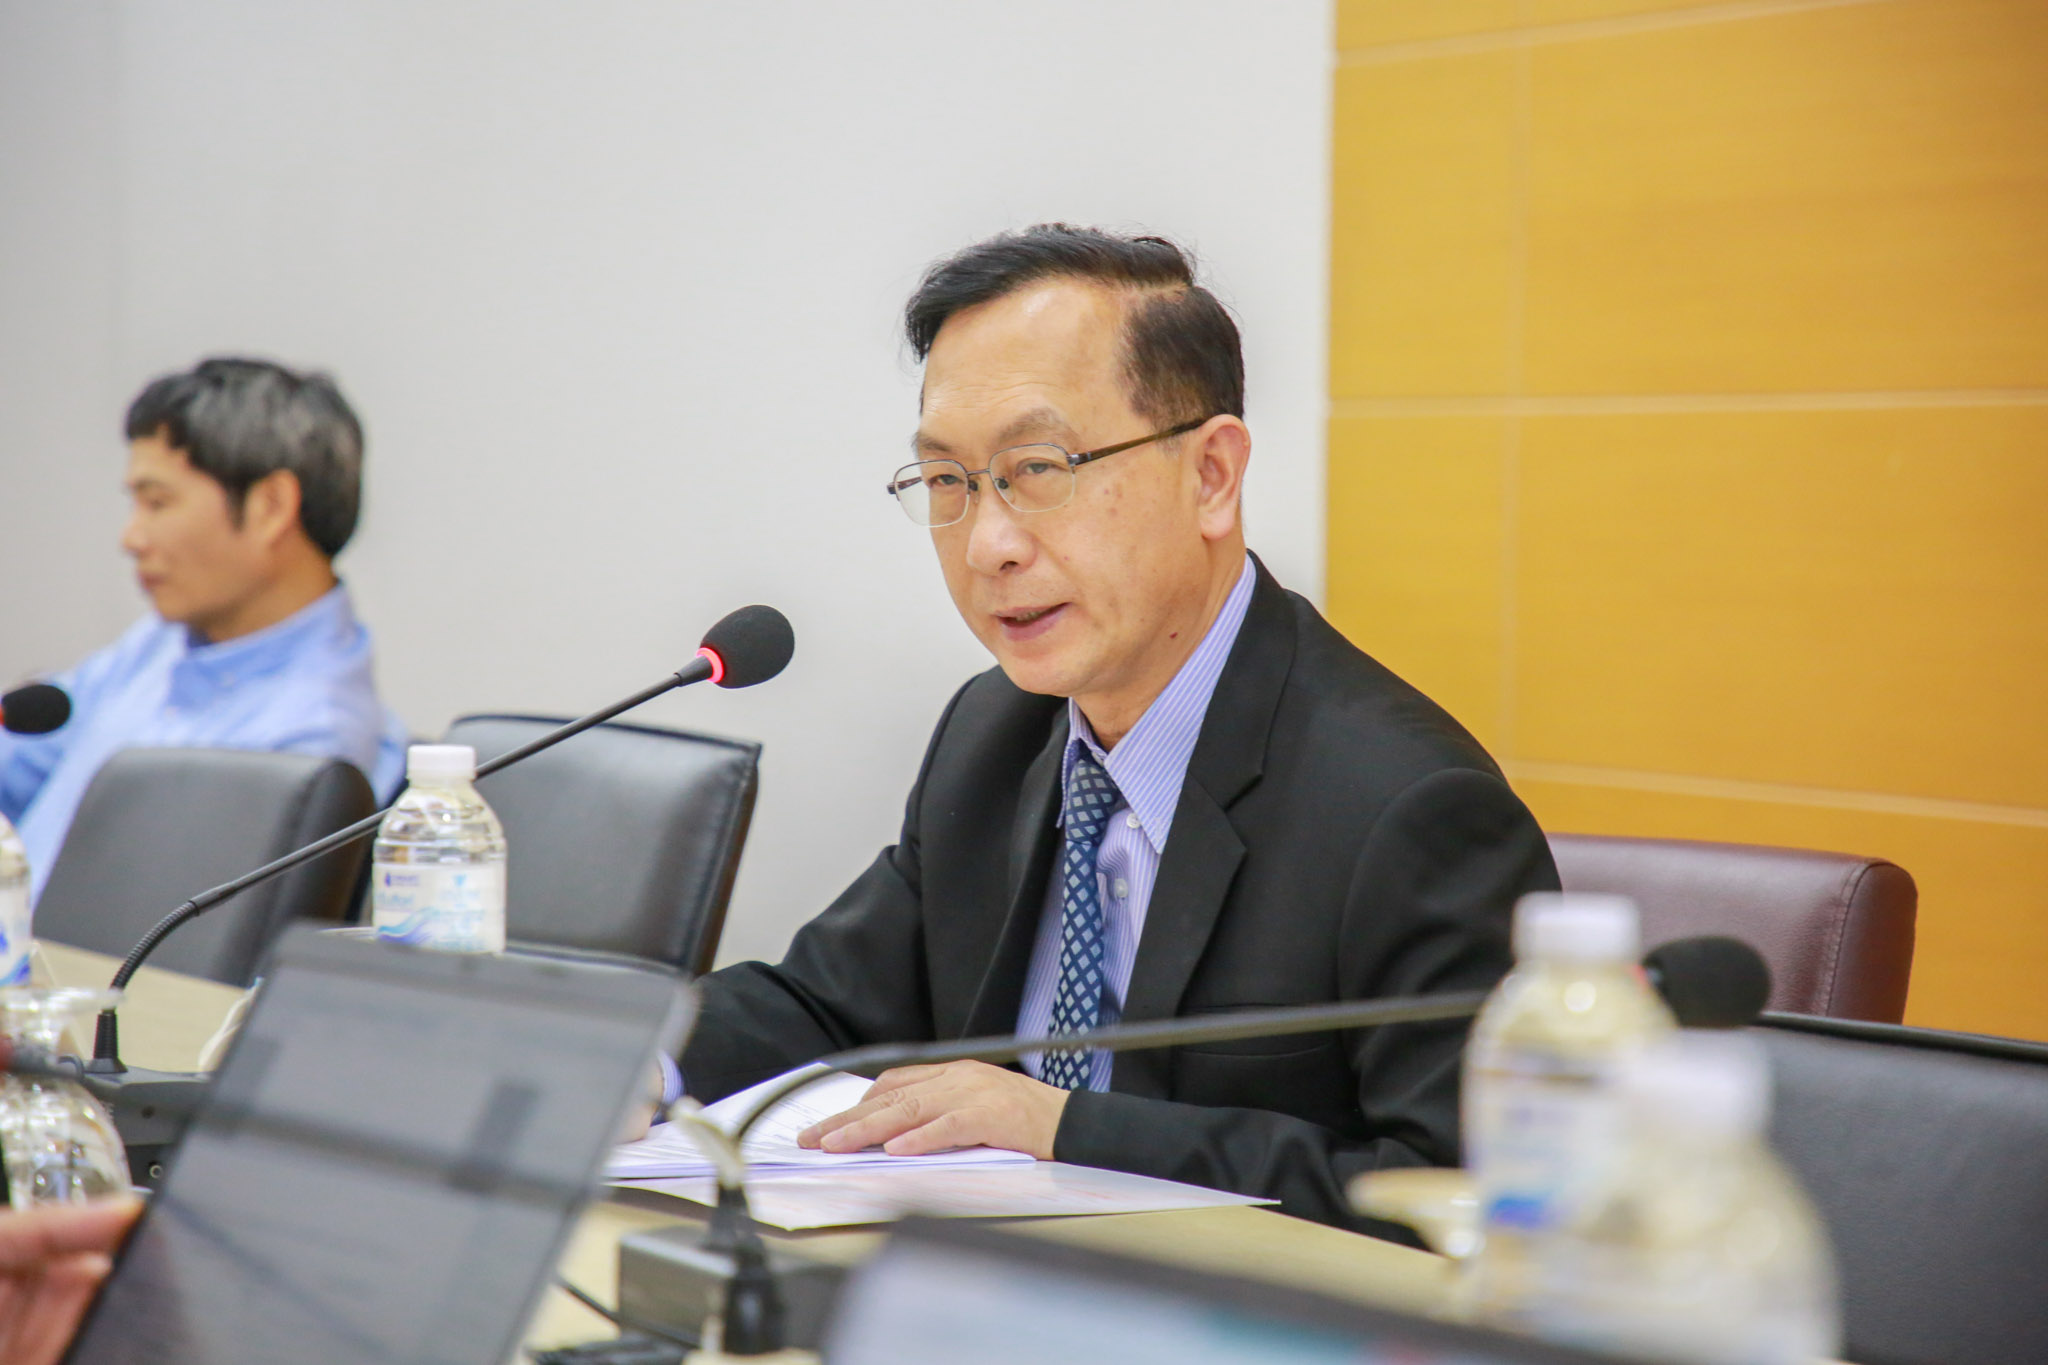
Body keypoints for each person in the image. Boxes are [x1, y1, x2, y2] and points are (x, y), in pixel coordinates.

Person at [676, 225, 1559, 1232]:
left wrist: (1064, 1127)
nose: (989, 544)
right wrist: (630, 1066)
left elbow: (1470, 1199)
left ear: (1211, 476)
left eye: (1038, 467)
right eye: (949, 482)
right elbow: (824, 1003)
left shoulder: (1407, 810)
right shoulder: (994, 734)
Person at [0, 358, 408, 901]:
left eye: (157, 502)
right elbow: (18, 767)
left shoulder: (312, 743)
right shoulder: (159, 643)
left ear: (271, 507)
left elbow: (155, 934)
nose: (131, 538)